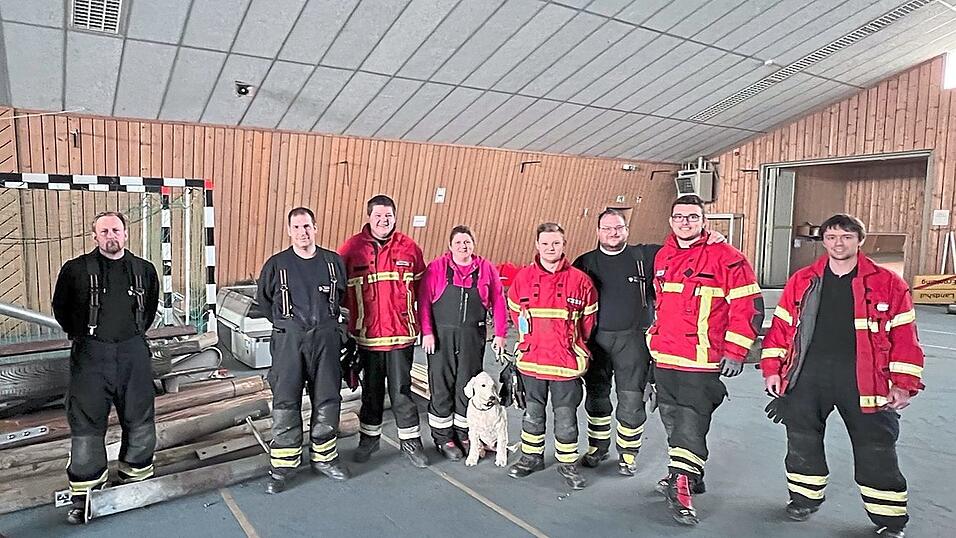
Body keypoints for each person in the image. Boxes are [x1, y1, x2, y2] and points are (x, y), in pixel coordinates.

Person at [760, 214, 924, 538]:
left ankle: (890, 519)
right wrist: (772, 370)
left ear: (860, 241)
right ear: (824, 241)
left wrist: (904, 385)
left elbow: (906, 337)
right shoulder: (803, 280)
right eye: (832, 237)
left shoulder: (889, 284)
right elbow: (781, 329)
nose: (839, 243)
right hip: (808, 375)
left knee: (875, 447)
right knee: (802, 441)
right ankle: (804, 499)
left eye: (847, 237)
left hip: (864, 379)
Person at [647, 195, 763, 526]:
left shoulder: (728, 258)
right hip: (665, 357)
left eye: (692, 217)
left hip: (702, 360)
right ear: (671, 221)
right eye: (679, 217)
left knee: (690, 420)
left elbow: (749, 308)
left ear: (704, 221)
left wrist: (736, 351)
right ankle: (690, 474)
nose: (685, 222)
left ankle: (680, 484)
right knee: (673, 419)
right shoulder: (663, 256)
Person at [52, 211, 160, 525]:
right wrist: (89, 337)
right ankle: (85, 495)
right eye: (104, 231)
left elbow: (149, 309)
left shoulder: (144, 270)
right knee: (86, 427)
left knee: (140, 420)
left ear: (126, 234)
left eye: (115, 229)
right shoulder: (74, 271)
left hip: (133, 353)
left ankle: (136, 481)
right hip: (90, 356)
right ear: (94, 236)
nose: (110, 235)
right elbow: (62, 309)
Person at [257, 207, 351, 494]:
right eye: (297, 227)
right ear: (289, 231)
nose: (303, 232)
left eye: (307, 226)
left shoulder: (333, 262)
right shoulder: (276, 265)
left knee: (327, 399)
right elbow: (264, 302)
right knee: (285, 401)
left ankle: (324, 459)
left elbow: (342, 298)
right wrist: (289, 328)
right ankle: (283, 467)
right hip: (289, 342)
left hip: (326, 340)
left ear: (316, 227)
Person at [506, 222, 597, 489]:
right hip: (532, 362)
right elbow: (515, 314)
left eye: (555, 243)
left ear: (563, 245)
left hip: (566, 364)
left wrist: (572, 345)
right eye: (545, 243)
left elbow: (588, 323)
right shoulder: (522, 278)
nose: (550, 248)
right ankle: (530, 457)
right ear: (537, 245)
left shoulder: (581, 281)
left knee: (566, 417)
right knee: (532, 413)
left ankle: (567, 464)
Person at [339, 195, 428, 467]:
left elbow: (422, 292)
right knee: (371, 393)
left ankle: (411, 443)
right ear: (369, 217)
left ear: (395, 217)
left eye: (388, 215)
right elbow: (341, 292)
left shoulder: (410, 248)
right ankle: (369, 441)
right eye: (378, 215)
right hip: (368, 338)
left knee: (402, 392)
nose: (383, 220)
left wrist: (424, 327)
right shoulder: (351, 249)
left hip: (401, 336)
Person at [419, 225, 507, 460]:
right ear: (450, 246)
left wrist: (500, 333)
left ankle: (465, 433)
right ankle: (443, 437)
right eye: (458, 242)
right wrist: (427, 332)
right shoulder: (437, 268)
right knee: (441, 387)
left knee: (467, 387)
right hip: (440, 338)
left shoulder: (486, 269)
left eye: (467, 242)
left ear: (473, 244)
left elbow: (499, 300)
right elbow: (424, 301)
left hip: (472, 337)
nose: (463, 246)